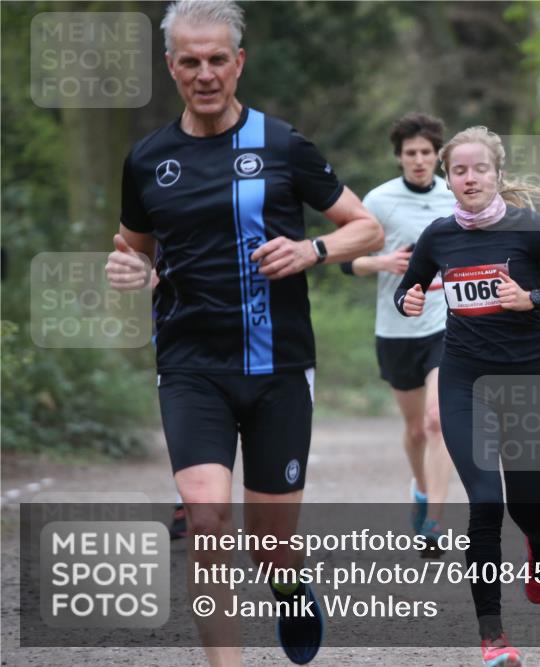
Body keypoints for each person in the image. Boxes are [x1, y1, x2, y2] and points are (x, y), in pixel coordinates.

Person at [104, 2, 383, 665]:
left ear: (239, 63)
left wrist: (312, 250)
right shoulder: (147, 160)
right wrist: (130, 267)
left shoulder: (283, 144)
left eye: (217, 60)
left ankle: (287, 583)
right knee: (205, 520)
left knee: (269, 544)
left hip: (278, 366)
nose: (205, 74)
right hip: (191, 364)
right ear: (171, 67)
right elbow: (133, 245)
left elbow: (366, 226)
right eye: (190, 61)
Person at [395, 127, 540, 667]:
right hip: (464, 381)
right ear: (448, 179)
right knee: (485, 502)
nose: (469, 178)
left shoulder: (530, 228)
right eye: (458, 171)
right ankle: (493, 638)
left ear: (497, 175)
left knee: (526, 505)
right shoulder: (438, 236)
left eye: (479, 169)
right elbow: (408, 287)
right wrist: (408, 300)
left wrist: (533, 297)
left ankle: (538, 545)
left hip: (528, 380)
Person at [340, 112, 455, 553]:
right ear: (399, 157)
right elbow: (349, 261)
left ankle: (435, 521)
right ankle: (422, 490)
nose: (420, 160)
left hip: (447, 324)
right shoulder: (380, 201)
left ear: (437, 156)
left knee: (437, 421)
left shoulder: (454, 197)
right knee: (415, 430)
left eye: (427, 152)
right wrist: (382, 263)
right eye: (411, 153)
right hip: (396, 328)